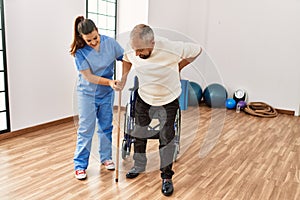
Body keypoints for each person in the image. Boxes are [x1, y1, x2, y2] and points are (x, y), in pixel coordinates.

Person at [118, 24, 202, 196]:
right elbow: (127, 58)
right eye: (135, 49)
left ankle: (166, 177)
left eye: (140, 49)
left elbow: (197, 50)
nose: (137, 54)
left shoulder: (171, 48)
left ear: (152, 43)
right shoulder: (132, 48)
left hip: (168, 98)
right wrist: (124, 77)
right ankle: (139, 165)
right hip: (144, 95)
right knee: (139, 132)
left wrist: (179, 66)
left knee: (166, 137)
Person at [70, 16, 124, 180]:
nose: (93, 42)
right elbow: (89, 77)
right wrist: (110, 81)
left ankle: (106, 158)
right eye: (89, 40)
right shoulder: (79, 52)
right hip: (87, 94)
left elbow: (126, 57)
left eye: (95, 38)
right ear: (82, 38)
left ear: (98, 32)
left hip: (106, 93)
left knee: (106, 127)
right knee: (86, 130)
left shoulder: (110, 43)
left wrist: (124, 78)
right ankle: (80, 166)